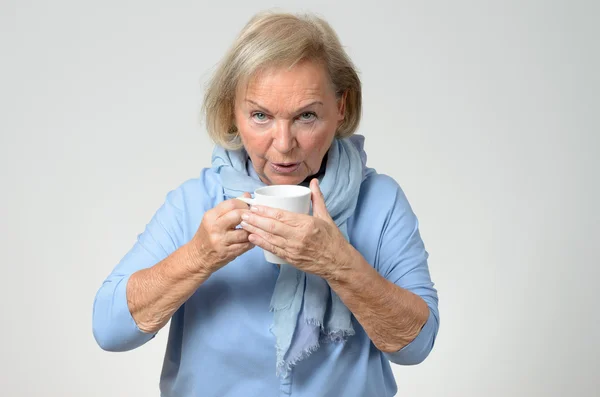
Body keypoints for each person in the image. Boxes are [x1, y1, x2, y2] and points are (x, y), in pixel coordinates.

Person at [93, 10, 439, 397]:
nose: (284, 143)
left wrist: (339, 265)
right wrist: (198, 257)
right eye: (260, 115)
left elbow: (415, 346)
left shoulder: (380, 201)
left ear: (341, 107)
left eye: (306, 116)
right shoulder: (197, 203)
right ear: (232, 112)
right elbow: (109, 330)